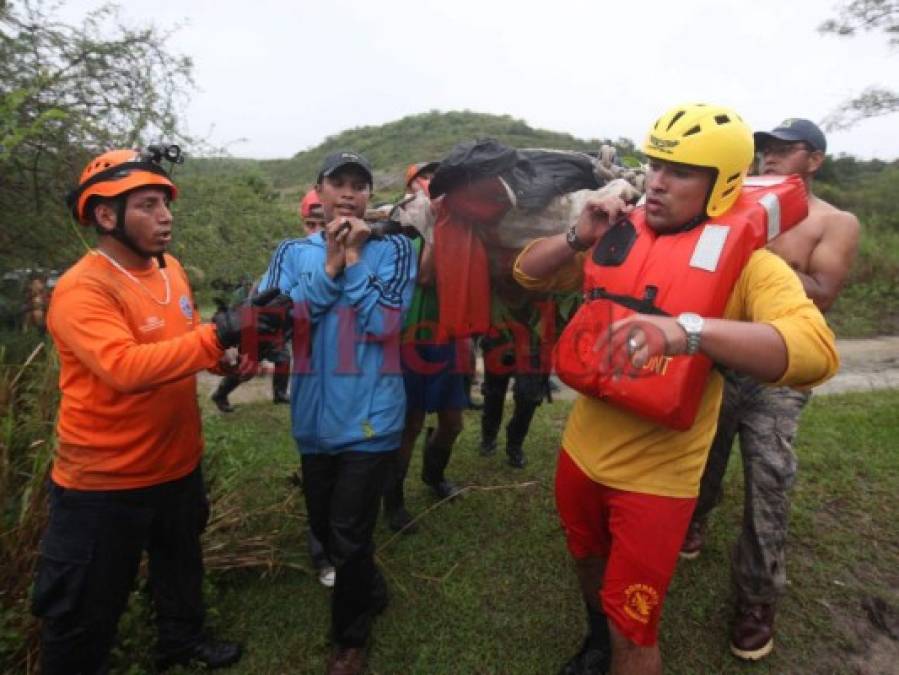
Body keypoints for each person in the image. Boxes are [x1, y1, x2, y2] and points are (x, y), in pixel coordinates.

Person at [513, 104, 839, 675]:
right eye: (655, 163)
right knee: (586, 559)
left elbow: (817, 352)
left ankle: (612, 641)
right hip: (580, 456)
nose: (658, 181)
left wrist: (687, 330)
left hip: (657, 484)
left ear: (724, 184)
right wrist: (576, 235)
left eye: (681, 170)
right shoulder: (618, 232)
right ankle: (594, 639)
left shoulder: (751, 267)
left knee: (635, 631)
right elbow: (527, 273)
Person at [33, 147, 286, 673]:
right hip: (103, 484)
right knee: (83, 610)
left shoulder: (170, 269)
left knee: (179, 567)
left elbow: (184, 344)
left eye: (166, 203)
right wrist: (221, 331)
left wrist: (232, 356)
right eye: (148, 204)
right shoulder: (83, 289)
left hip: (176, 464)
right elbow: (126, 369)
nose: (166, 216)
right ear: (106, 215)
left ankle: (181, 641)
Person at [680, 118, 860, 661]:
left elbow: (823, 291)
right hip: (721, 355)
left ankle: (757, 597)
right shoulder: (734, 210)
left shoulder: (834, 221)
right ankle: (693, 523)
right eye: (766, 150)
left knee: (769, 476)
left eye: (787, 150)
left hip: (778, 372)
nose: (771, 158)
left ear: (815, 160)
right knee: (703, 455)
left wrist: (755, 256)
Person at [258, 150, 416, 675]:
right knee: (325, 530)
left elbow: (384, 325)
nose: (349, 193)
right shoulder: (290, 253)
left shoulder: (395, 250)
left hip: (372, 417)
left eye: (360, 186)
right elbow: (277, 324)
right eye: (338, 184)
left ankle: (349, 641)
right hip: (313, 419)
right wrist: (326, 265)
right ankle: (368, 586)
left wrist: (351, 261)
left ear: (370, 197)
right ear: (319, 192)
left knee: (349, 533)